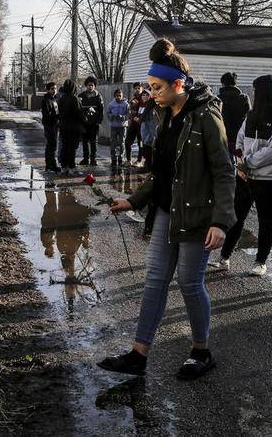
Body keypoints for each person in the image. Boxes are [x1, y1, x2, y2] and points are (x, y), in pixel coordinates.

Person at [98, 38, 236, 380]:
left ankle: (201, 352)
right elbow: (163, 175)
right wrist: (134, 200)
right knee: (155, 281)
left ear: (178, 84)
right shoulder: (165, 115)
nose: (152, 93)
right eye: (149, 87)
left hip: (196, 216)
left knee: (190, 283)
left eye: (157, 87)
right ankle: (138, 354)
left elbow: (224, 171)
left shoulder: (206, 116)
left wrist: (220, 222)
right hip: (164, 211)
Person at [212, 75, 272, 275]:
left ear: (264, 92)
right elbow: (240, 139)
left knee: (265, 219)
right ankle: (224, 258)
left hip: (270, 178)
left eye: (256, 90)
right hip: (245, 176)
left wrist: (247, 165)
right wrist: (240, 163)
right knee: (236, 217)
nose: (253, 94)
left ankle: (260, 262)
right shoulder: (251, 115)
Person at [218, 71, 251, 153]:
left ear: (223, 84)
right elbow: (249, 119)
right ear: (235, 83)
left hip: (222, 137)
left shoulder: (218, 99)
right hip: (240, 138)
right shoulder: (244, 98)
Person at [57, 79, 84, 175]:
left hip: (64, 127)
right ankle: (72, 167)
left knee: (64, 147)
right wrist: (84, 118)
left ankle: (64, 167)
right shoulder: (74, 98)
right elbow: (78, 113)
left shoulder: (61, 98)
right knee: (72, 148)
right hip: (73, 127)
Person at [79, 76, 105, 166]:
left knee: (94, 142)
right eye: (89, 85)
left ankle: (93, 159)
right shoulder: (81, 96)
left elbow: (102, 110)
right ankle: (85, 159)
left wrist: (99, 121)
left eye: (92, 85)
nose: (90, 87)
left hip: (94, 123)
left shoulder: (98, 96)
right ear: (86, 85)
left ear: (94, 86)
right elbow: (79, 109)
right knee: (85, 142)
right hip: (84, 123)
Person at [107, 88, 129, 169]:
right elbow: (107, 113)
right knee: (113, 143)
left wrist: (123, 117)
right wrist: (112, 116)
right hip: (113, 126)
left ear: (122, 96)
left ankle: (120, 159)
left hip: (122, 127)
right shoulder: (111, 104)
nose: (118, 97)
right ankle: (113, 160)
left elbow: (128, 114)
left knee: (121, 143)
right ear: (114, 96)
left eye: (120, 96)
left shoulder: (126, 104)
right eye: (117, 95)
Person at [41, 82, 60, 173]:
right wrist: (57, 116)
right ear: (48, 90)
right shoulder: (46, 100)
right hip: (49, 126)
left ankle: (51, 165)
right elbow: (47, 114)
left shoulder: (54, 99)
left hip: (55, 125)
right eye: (52, 89)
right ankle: (50, 165)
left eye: (55, 88)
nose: (54, 90)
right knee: (51, 146)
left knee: (52, 146)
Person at [125, 82, 146, 166]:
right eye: (136, 88)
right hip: (133, 124)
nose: (137, 90)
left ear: (142, 89)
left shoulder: (144, 98)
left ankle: (139, 160)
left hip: (141, 125)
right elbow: (130, 111)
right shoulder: (133, 98)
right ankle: (128, 160)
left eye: (139, 88)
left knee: (140, 143)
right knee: (127, 142)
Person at [139, 91, 156, 173]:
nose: (145, 96)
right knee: (146, 147)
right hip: (145, 133)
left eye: (147, 95)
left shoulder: (151, 105)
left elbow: (152, 125)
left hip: (149, 135)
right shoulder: (142, 105)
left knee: (148, 148)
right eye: (143, 95)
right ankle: (147, 165)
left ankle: (149, 166)